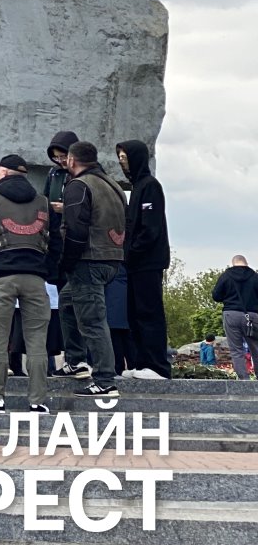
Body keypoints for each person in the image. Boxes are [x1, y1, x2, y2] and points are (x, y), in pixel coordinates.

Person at [0, 154, 55, 412]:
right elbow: (56, 242)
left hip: (1, 275)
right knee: (37, 341)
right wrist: (46, 270)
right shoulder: (43, 202)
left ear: (3, 173)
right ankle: (38, 401)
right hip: (35, 277)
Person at [54, 141, 127, 398]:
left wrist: (65, 264)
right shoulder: (113, 186)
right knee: (67, 301)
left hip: (88, 260)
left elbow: (75, 231)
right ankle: (75, 361)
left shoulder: (79, 186)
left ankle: (105, 379)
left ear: (72, 161)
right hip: (112, 259)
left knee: (92, 320)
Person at [116, 140, 171, 379]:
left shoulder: (150, 186)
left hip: (148, 262)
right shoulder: (137, 187)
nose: (122, 163)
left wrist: (131, 252)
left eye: (125, 158)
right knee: (135, 314)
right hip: (134, 264)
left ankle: (157, 365)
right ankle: (140, 363)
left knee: (149, 312)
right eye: (119, 159)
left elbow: (150, 229)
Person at [211, 256, 258, 380]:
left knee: (236, 350)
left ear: (233, 264)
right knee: (256, 349)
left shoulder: (226, 276)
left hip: (231, 314)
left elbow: (216, 296)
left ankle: (244, 381)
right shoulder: (255, 276)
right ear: (246, 263)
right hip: (252, 315)